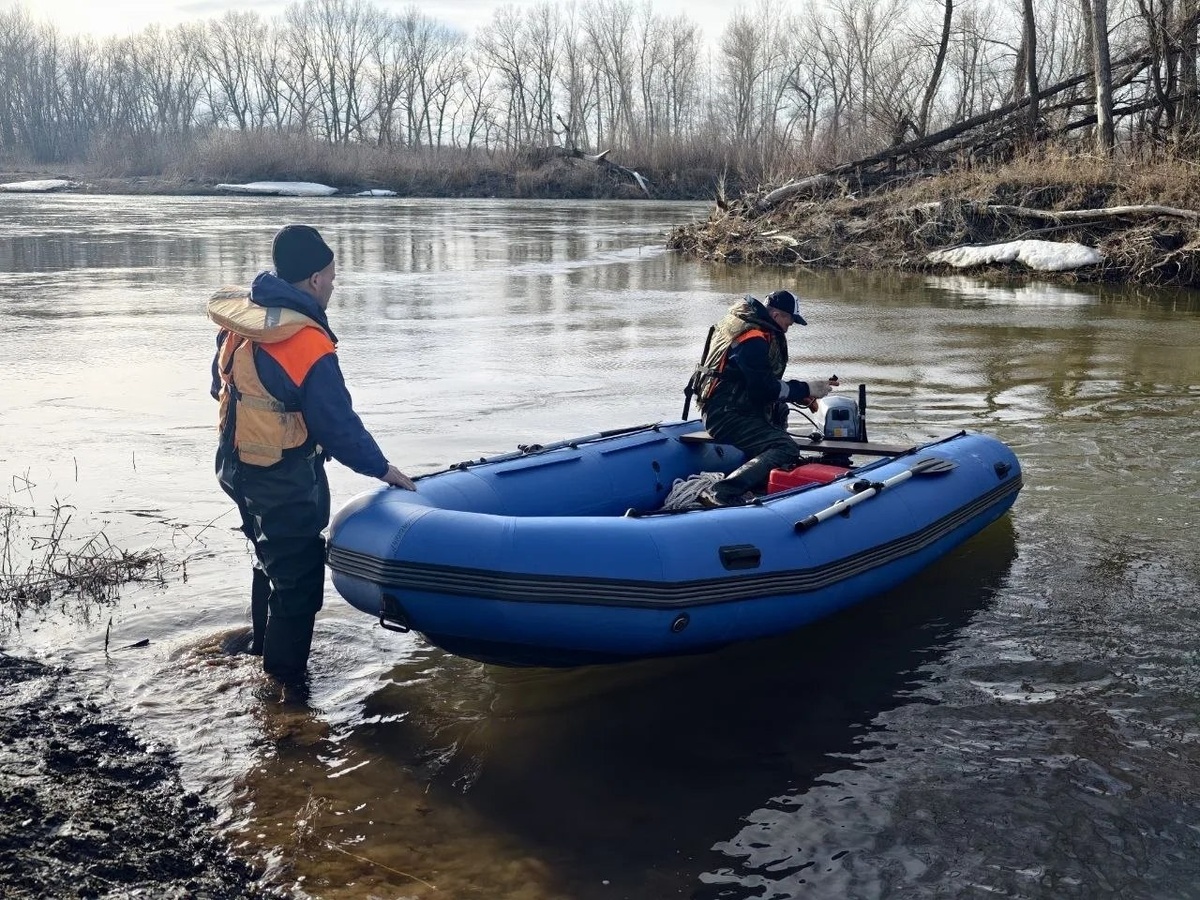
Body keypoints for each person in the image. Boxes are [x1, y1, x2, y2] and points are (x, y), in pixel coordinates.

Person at [208, 224, 415, 689]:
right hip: (279, 479)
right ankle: (285, 691)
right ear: (316, 279)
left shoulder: (244, 322)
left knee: (270, 560)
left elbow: (219, 388)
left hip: (235, 465)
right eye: (332, 275)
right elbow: (337, 425)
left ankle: (263, 651)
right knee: (299, 585)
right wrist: (384, 470)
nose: (335, 283)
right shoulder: (305, 342)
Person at [691, 289, 838, 507]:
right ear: (777, 315)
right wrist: (807, 388)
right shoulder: (752, 338)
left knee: (781, 410)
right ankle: (719, 492)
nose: (791, 326)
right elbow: (763, 389)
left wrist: (801, 394)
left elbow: (757, 380)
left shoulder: (749, 324)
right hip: (725, 415)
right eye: (790, 320)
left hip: (731, 406)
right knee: (786, 448)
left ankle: (760, 476)